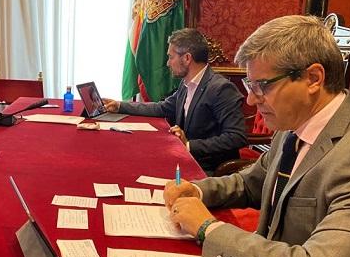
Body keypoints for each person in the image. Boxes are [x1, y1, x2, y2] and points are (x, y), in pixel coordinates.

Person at [164, 15, 350, 257]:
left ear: (312, 78)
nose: (251, 100)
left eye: (261, 86)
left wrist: (209, 228)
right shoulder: (293, 125)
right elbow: (251, 181)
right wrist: (195, 190)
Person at [103, 28, 246, 174]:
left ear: (187, 58)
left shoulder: (221, 89)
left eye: (171, 57)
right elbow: (162, 108)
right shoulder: (186, 84)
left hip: (206, 169)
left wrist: (189, 145)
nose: (167, 63)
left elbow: (236, 137)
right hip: (183, 158)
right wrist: (120, 105)